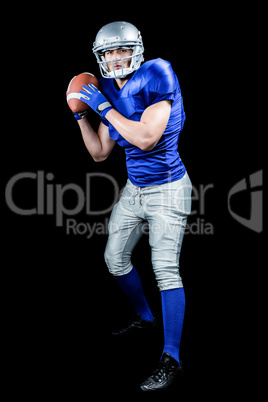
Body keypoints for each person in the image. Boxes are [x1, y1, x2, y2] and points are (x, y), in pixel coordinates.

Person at [72, 21, 192, 392]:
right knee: (114, 259)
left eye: (121, 50)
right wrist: (81, 116)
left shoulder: (158, 73)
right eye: (108, 52)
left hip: (168, 188)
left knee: (165, 271)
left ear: (135, 50)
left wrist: (104, 108)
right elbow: (99, 152)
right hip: (135, 189)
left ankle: (171, 357)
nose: (115, 58)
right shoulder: (109, 87)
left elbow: (144, 138)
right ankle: (145, 317)